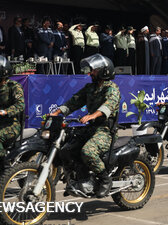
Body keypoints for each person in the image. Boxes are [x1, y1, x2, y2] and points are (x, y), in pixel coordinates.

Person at [50, 54, 120, 197]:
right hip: (90, 128)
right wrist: (56, 112)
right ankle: (78, 179)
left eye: (93, 70)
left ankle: (105, 180)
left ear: (103, 71)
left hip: (105, 130)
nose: (90, 73)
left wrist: (93, 115)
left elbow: (109, 105)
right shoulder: (90, 88)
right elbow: (73, 102)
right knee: (66, 150)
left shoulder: (112, 88)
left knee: (88, 151)